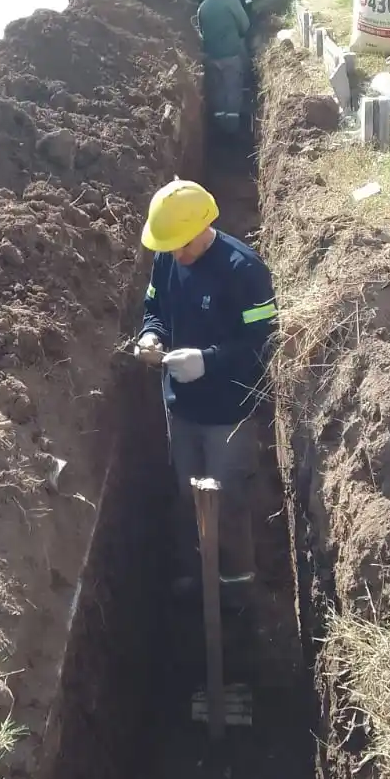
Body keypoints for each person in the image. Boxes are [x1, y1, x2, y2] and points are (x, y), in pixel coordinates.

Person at [135, 179, 279, 600]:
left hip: (228, 412)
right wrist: (151, 337)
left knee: (228, 501)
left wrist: (208, 360)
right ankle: (199, 575)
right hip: (181, 408)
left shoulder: (244, 271)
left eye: (182, 245)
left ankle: (235, 589)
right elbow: (154, 309)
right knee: (187, 491)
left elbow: (263, 343)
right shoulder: (167, 257)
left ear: (203, 229)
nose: (176, 254)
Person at [197, 0, 249, 136]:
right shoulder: (232, 2)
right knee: (232, 89)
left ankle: (219, 130)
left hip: (212, 57)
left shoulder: (202, 7)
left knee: (218, 89)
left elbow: (201, 31)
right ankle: (232, 131)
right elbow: (245, 26)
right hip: (231, 55)